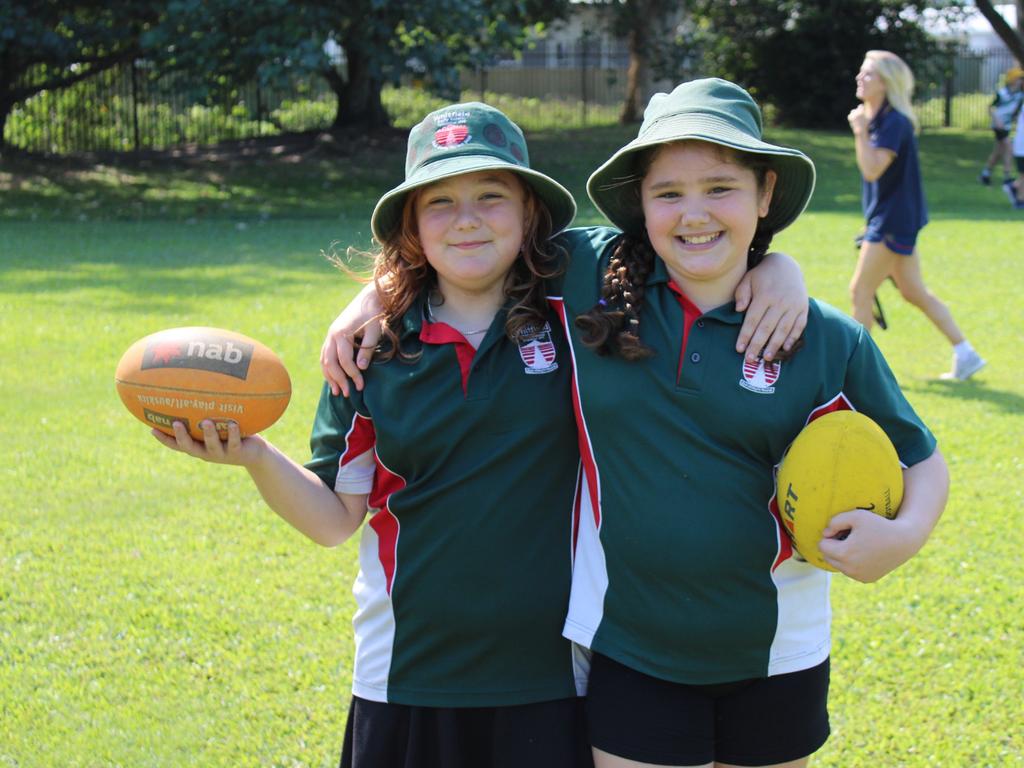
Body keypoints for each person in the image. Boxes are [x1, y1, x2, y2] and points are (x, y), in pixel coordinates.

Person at [321, 79, 950, 768]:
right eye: (668, 193)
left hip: (779, 649)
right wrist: (373, 296)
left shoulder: (824, 336)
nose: (695, 214)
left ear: (765, 194)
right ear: (640, 204)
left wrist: (906, 535)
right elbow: (470, 246)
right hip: (628, 649)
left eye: (721, 187)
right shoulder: (592, 277)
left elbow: (919, 458)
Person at [153, 102, 597, 768]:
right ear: (411, 227)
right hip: (406, 674)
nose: (468, 217)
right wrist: (253, 454)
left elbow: (684, 241)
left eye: (491, 195)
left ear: (530, 210)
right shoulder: (370, 352)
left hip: (551, 675)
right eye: (440, 202)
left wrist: (779, 273)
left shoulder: (576, 307)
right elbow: (335, 519)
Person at [848, 50, 985, 381]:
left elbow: (872, 170)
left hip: (893, 222)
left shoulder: (893, 122)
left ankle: (857, 374)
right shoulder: (879, 119)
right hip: (891, 218)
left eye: (868, 74)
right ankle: (966, 354)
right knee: (913, 292)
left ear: (886, 83)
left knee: (859, 291)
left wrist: (859, 131)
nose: (860, 78)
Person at [979, 66, 1023, 189]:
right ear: (1013, 79)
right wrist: (997, 120)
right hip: (999, 126)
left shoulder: (1020, 95)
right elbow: (991, 107)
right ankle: (1007, 177)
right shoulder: (1002, 93)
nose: (1021, 80)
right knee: (1009, 147)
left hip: (1007, 125)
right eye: (1019, 78)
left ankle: (985, 174)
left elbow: (1016, 112)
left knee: (998, 152)